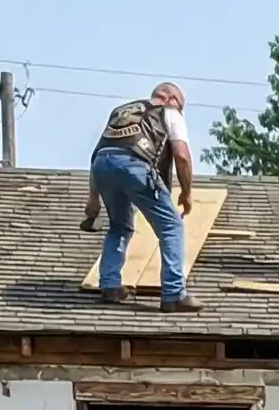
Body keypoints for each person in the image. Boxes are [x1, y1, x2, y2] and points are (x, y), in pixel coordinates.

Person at [81, 84, 199, 312]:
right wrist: (186, 192)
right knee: (172, 226)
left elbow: (101, 151)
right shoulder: (170, 112)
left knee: (120, 225)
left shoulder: (121, 111)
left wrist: (93, 197)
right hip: (134, 166)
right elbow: (182, 156)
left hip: (102, 167)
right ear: (172, 99)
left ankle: (110, 285)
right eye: (181, 107)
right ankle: (174, 294)